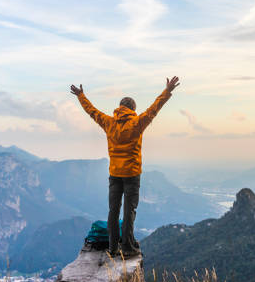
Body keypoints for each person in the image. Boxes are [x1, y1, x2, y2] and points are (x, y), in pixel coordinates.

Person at [70, 76, 180, 257]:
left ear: (120, 107)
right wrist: (167, 91)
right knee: (130, 210)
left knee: (113, 210)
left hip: (114, 174)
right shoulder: (137, 123)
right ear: (133, 109)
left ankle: (112, 248)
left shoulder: (109, 122)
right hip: (132, 174)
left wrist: (81, 95)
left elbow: (92, 111)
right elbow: (154, 108)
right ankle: (128, 248)